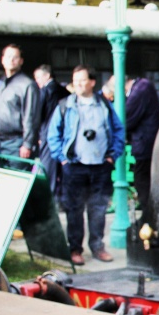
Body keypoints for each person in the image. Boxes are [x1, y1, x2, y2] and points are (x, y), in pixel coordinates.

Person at [47, 65, 124, 266]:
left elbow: (118, 131)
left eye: (83, 80)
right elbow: (52, 135)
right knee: (74, 209)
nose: (79, 84)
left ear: (92, 82)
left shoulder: (104, 105)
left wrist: (112, 156)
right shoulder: (65, 105)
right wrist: (62, 158)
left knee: (98, 208)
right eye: (76, 81)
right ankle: (75, 249)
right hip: (75, 165)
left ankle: (98, 246)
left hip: (100, 165)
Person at [124, 74, 159, 223]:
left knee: (142, 179)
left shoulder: (140, 90)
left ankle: (149, 216)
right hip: (151, 141)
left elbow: (126, 118)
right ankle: (150, 214)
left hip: (145, 143)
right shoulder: (145, 85)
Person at [0, 44, 40, 166]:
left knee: (17, 181)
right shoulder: (1, 83)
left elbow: (31, 116)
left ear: (21, 61)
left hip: (18, 142)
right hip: (1, 141)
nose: (11, 60)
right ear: (2, 60)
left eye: (15, 57)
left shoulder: (27, 85)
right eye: (8, 56)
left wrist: (27, 144)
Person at [33, 64, 69, 196]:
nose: (36, 81)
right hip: (65, 134)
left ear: (47, 75)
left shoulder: (44, 92)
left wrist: (36, 135)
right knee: (64, 167)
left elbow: (37, 115)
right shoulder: (64, 91)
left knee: (48, 170)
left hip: (48, 134)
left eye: (38, 77)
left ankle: (50, 199)